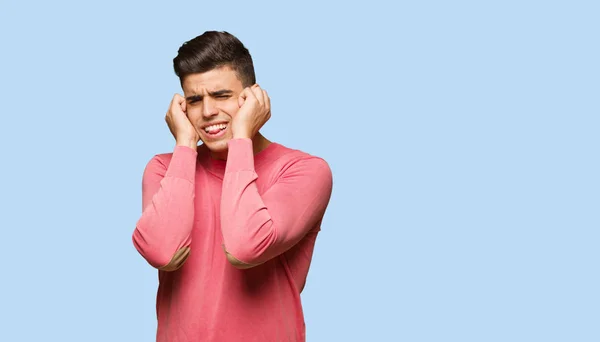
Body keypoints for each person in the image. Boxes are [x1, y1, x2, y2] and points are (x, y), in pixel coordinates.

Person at [132, 31, 333, 342]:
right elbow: (163, 252)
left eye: (222, 95)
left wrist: (241, 139)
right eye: (195, 100)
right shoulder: (164, 168)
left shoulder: (303, 171)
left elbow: (245, 247)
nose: (208, 111)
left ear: (252, 98)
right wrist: (184, 144)